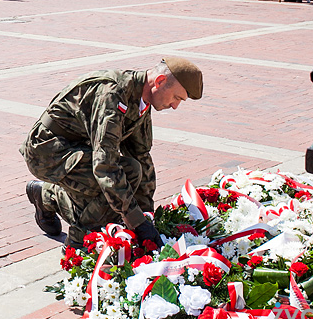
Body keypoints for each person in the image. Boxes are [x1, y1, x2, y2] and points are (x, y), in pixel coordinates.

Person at [21, 58, 203, 248]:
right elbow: (105, 167)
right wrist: (136, 222)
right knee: (113, 187)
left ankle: (44, 195)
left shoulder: (141, 98)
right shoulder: (114, 94)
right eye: (177, 98)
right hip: (47, 151)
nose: (175, 106)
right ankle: (78, 243)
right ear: (159, 82)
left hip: (77, 149)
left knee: (129, 176)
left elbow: (141, 156)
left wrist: (146, 216)